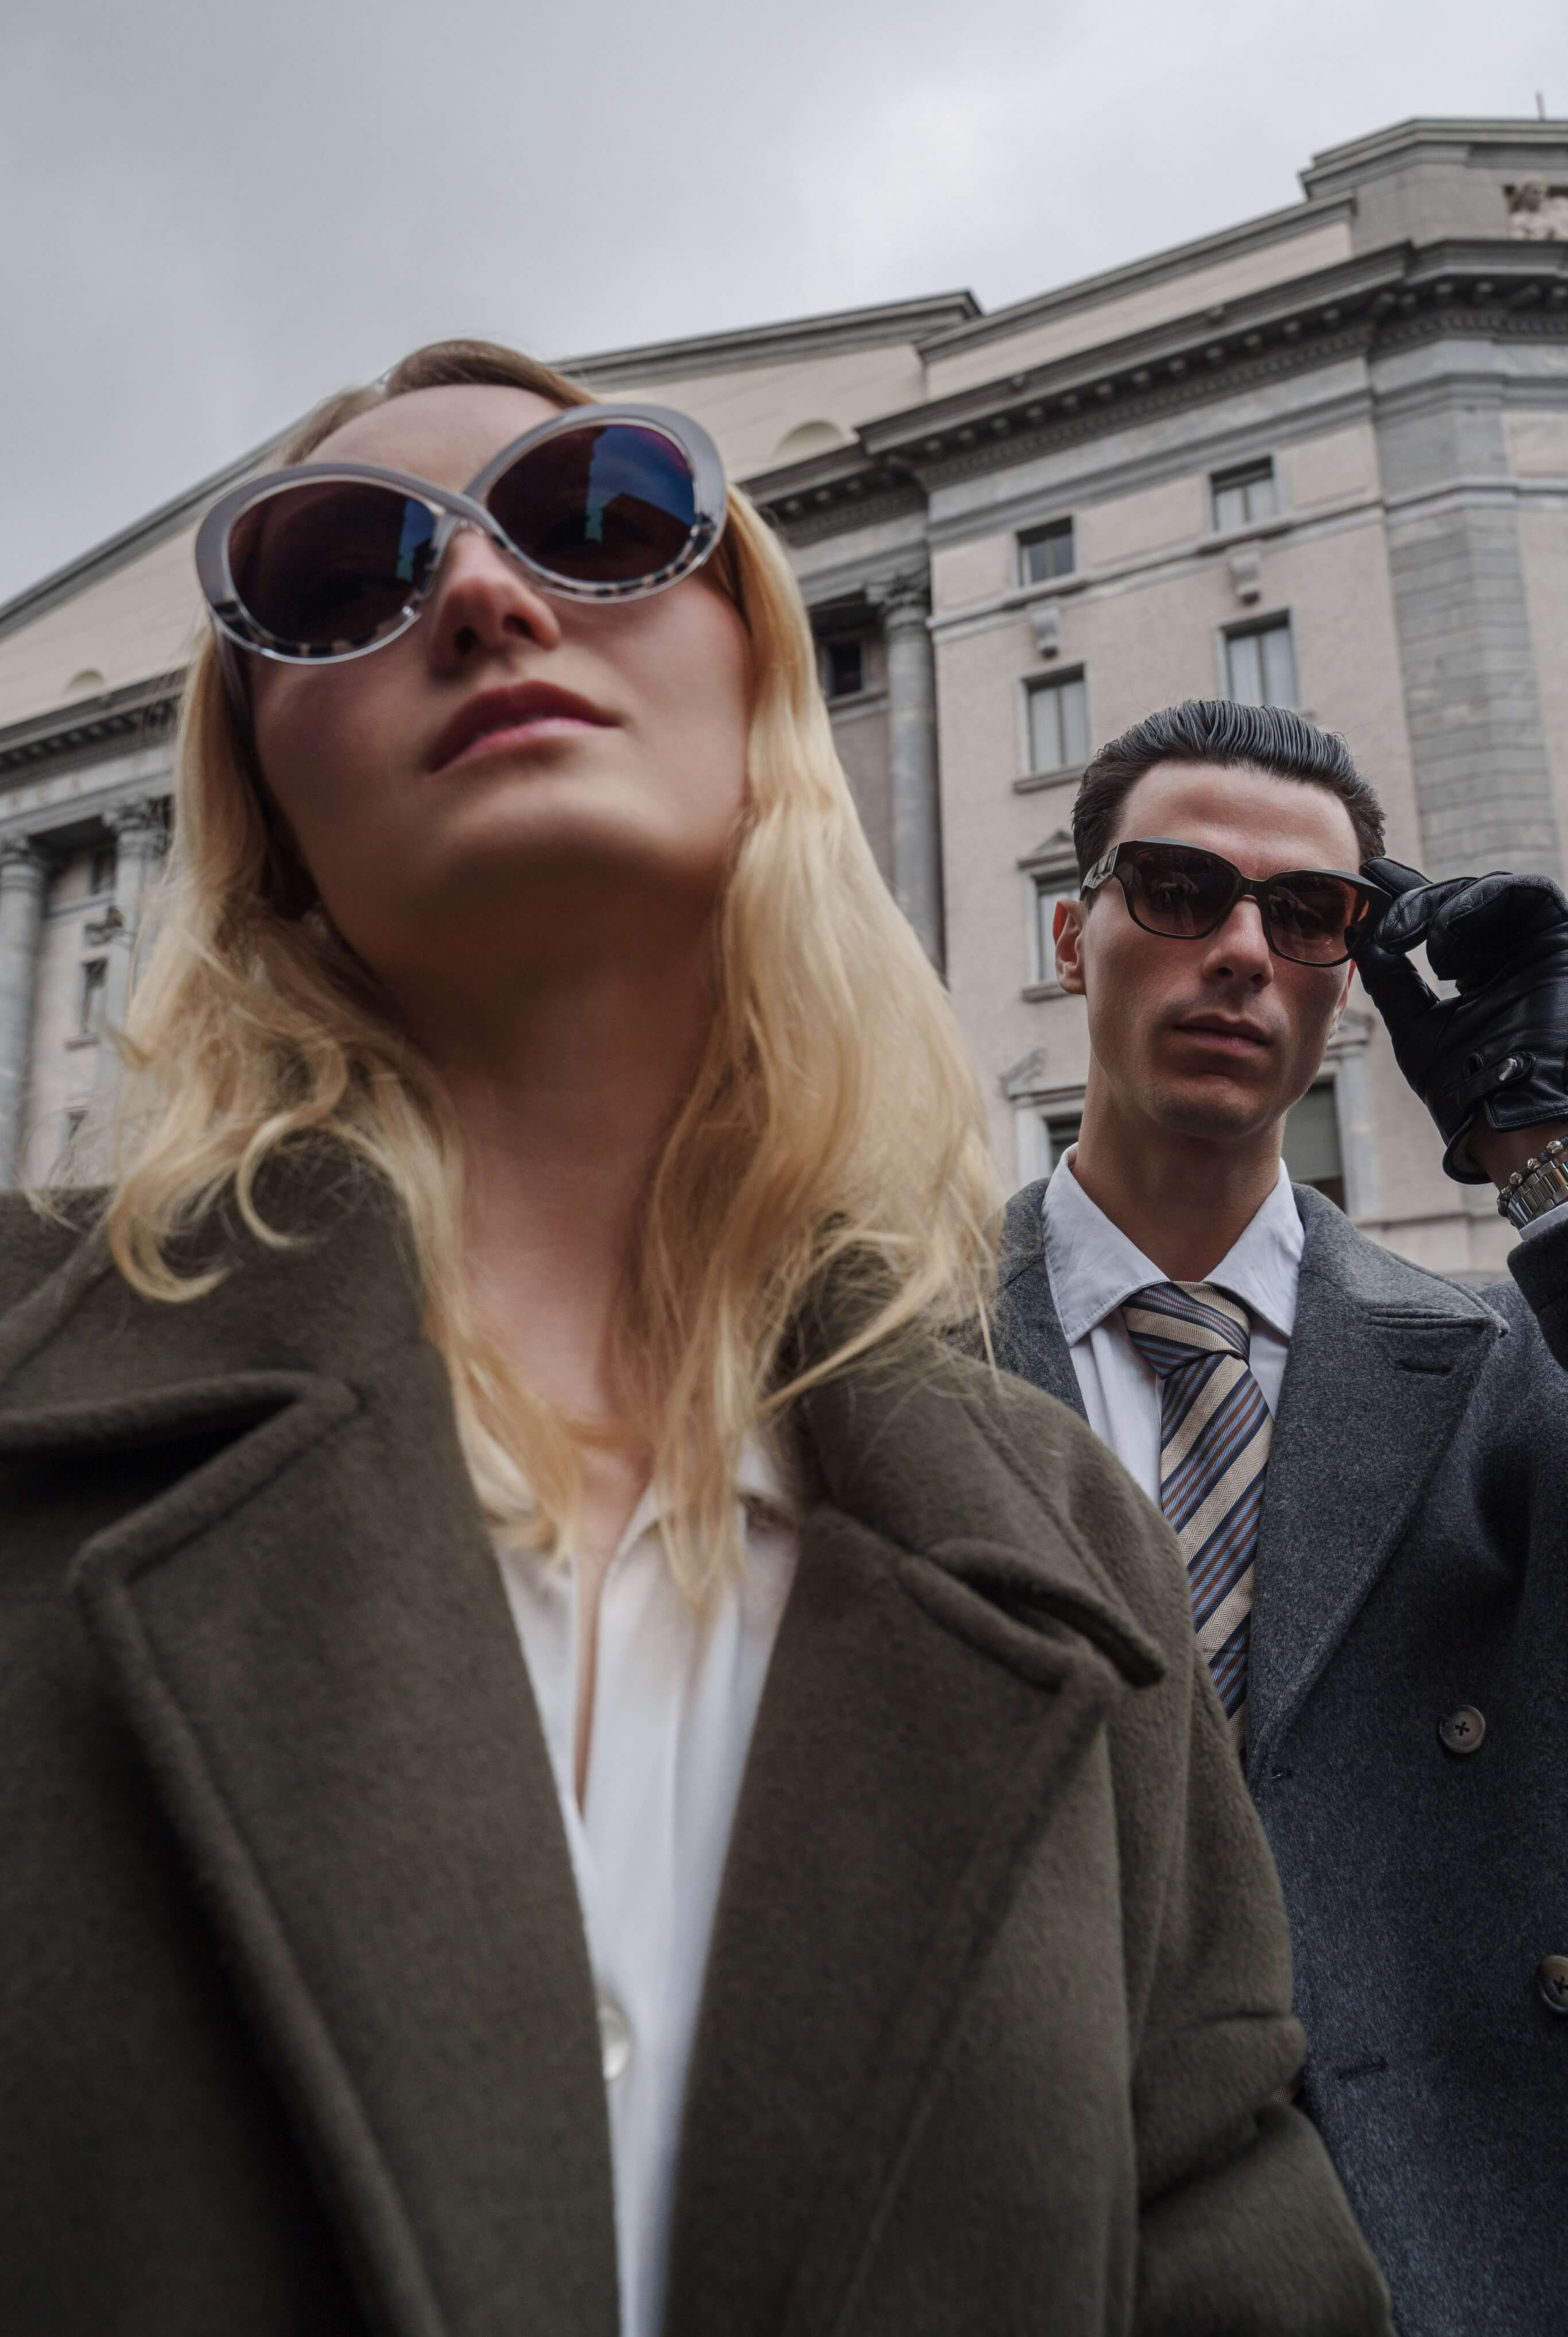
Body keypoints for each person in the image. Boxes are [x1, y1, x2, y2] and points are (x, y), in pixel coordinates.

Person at [0, 349, 1385, 2336]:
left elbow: (1225, 2235)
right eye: (334, 575)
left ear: (763, 689)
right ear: (262, 793)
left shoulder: (1072, 1540)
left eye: (599, 516)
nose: (484, 597)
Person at [990, 696, 1568, 2337]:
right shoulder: (878, 1351)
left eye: (1309, 913)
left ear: (1352, 977)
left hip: (1450, 2241)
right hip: (1030, 2231)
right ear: (1071, 927)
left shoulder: (1504, 1359)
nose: (1242, 950)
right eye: (1179, 892)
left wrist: (1547, 1156)